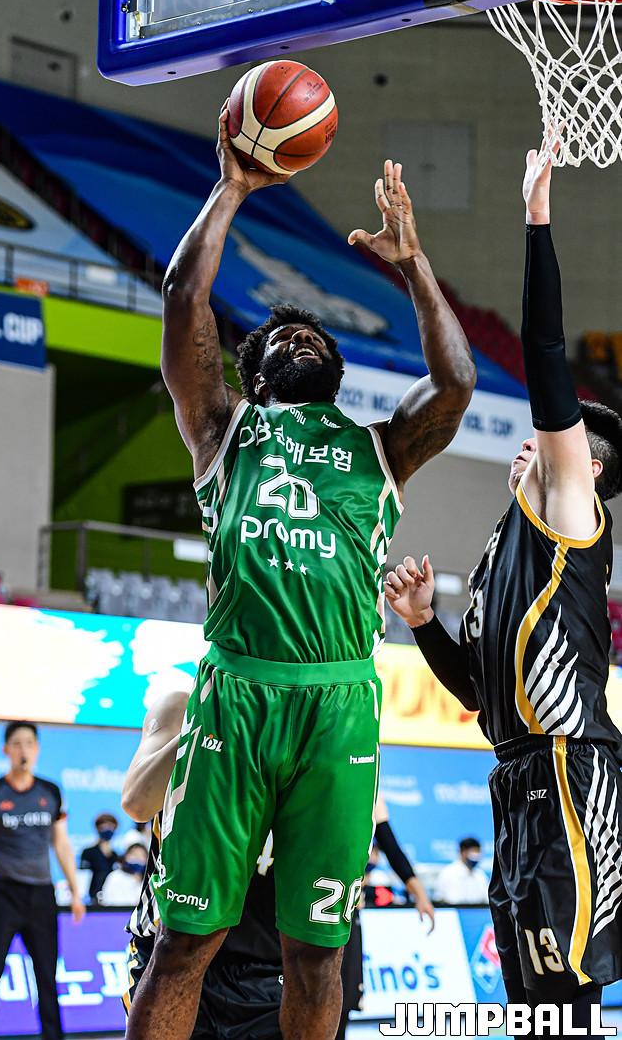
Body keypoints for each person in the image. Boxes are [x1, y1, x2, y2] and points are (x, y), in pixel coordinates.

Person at [130, 100, 475, 1040]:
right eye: (281, 336)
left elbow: (455, 384)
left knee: (318, 954)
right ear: (255, 374)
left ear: (336, 372)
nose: (301, 334)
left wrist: (414, 267)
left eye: (315, 335)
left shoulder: (380, 449)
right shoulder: (223, 429)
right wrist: (233, 188)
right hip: (238, 695)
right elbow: (183, 297)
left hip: (338, 704)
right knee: (184, 943)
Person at [385, 142, 622, 1031]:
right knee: (527, 1003)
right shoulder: (503, 552)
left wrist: (536, 217)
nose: (538, 437)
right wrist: (425, 626)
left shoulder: (569, 509)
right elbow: (481, 696)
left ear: (587, 468)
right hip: (516, 772)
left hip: (569, 770)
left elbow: (547, 353)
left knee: (566, 1003)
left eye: (560, 437)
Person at [121, 689, 283, 1039]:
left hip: (264, 959)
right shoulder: (181, 705)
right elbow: (137, 802)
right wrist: (208, 720)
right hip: (170, 945)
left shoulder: (305, 721)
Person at [0, 721, 85, 1040]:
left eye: (29, 743)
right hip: (2, 895)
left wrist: (75, 890)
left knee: (47, 976)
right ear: (6, 750)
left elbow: (61, 843)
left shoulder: (50, 791)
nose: (23, 750)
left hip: (42, 895)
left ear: (37, 748)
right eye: (17, 744)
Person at [336, 794, 435, 1040]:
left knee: (343, 998)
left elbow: (390, 846)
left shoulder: (371, 791)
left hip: (347, 910)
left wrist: (420, 894)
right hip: (313, 902)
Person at [434, 837, 489, 906]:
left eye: (478, 852)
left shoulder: (480, 875)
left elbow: (487, 899)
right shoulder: (448, 873)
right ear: (462, 852)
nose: (476, 856)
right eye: (473, 852)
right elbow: (451, 901)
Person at [80, 812, 119, 902]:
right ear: (98, 828)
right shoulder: (88, 852)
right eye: (104, 826)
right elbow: (84, 877)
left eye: (111, 826)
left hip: (111, 898)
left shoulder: (115, 856)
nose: (108, 829)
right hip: (92, 898)